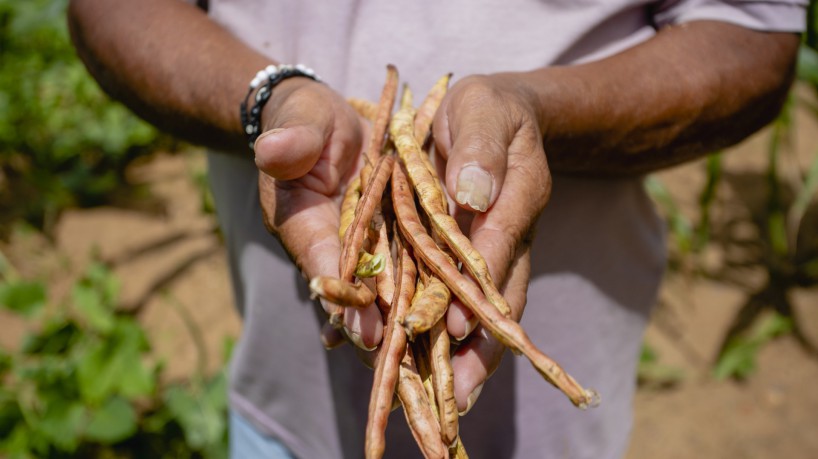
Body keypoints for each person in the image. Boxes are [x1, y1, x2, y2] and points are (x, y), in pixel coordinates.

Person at [68, 0, 805, 457]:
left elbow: (753, 32)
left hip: (549, 443)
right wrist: (270, 97)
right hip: (281, 415)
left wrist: (539, 112)